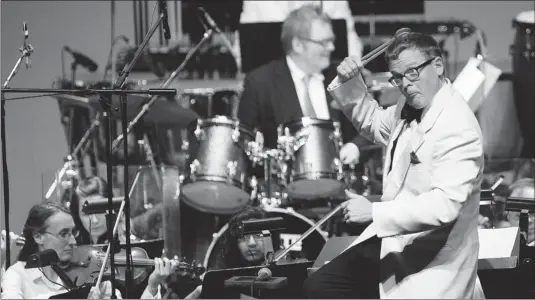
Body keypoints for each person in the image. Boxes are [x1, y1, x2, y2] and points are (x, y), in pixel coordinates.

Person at [304, 31, 486, 298]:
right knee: (319, 286)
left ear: (438, 65)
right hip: (395, 243)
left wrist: (374, 212)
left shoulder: (458, 126)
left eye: (412, 72)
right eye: (398, 78)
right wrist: (349, 81)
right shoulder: (410, 104)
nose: (406, 84)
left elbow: (444, 206)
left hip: (433, 262)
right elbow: (374, 123)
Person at [238, 4, 369, 168]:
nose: (331, 48)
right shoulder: (260, 82)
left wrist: (355, 146)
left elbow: (371, 126)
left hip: (342, 180)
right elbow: (243, 140)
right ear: (298, 45)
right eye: (323, 42)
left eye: (331, 41)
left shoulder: (343, 76)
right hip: (285, 185)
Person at [1, 203, 176, 299]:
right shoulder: (17, 275)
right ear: (38, 237)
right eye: (63, 234)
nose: (73, 241)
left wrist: (152, 285)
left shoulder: (93, 275)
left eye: (73, 232)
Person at [237, 1, 363, 63]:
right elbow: (244, 46)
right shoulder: (255, 2)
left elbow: (350, 39)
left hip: (324, 81)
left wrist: (352, 69)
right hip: (271, 85)